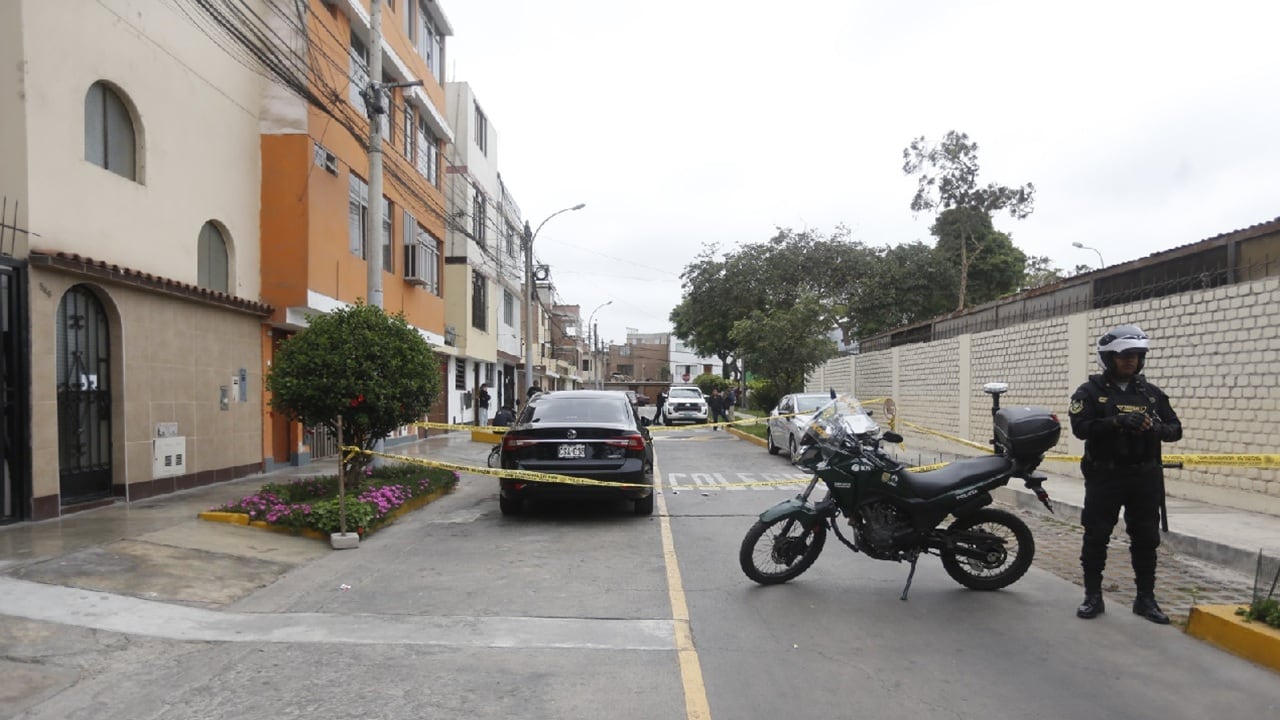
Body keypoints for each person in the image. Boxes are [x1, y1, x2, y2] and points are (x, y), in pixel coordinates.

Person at [1068, 324, 1182, 624]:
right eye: (1124, 355)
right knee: (1096, 535)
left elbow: (1175, 429)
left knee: (1146, 539)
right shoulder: (1090, 392)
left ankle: (1145, 599)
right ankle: (1093, 596)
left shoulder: (1151, 394)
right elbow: (1080, 428)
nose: (1131, 360)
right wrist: (1117, 422)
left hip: (1144, 477)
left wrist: (1155, 428)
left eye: (1136, 355)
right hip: (1105, 477)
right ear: (1109, 358)